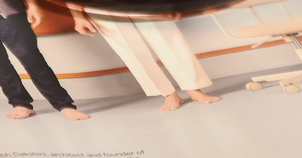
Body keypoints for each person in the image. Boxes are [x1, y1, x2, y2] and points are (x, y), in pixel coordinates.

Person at [71, 8, 221, 112]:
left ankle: (194, 89)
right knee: (131, 51)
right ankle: (168, 95)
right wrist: (78, 16)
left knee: (168, 39)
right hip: (95, 1)